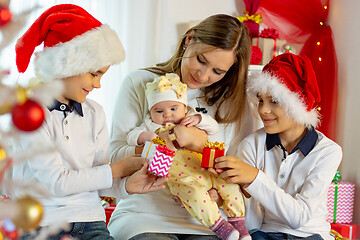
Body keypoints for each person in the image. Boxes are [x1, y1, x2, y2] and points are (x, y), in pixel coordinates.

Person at [12, 4, 167, 240]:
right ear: (66, 64)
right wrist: (116, 169)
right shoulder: (30, 113)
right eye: (94, 74)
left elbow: (98, 179)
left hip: (91, 222)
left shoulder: (95, 113)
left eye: (102, 75)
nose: (98, 84)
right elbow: (56, 182)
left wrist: (126, 185)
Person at [108, 14, 255, 240]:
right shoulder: (139, 82)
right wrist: (161, 144)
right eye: (201, 60)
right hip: (142, 216)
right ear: (189, 39)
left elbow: (239, 174)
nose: (203, 75)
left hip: (207, 222)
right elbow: (114, 158)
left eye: (218, 71)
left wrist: (198, 142)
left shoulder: (233, 104)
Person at [214, 53, 343, 240]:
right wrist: (233, 196)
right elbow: (251, 224)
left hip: (310, 235)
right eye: (260, 100)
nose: (263, 110)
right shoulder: (251, 145)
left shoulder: (328, 152)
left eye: (274, 101)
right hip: (263, 234)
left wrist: (254, 178)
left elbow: (299, 217)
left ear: (299, 103)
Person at [127, 73, 250, 240]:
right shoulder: (151, 125)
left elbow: (214, 128)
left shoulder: (191, 117)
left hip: (206, 169)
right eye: (159, 110)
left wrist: (199, 119)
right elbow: (131, 136)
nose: (167, 115)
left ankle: (239, 224)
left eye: (173, 108)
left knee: (229, 185)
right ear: (151, 112)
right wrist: (144, 137)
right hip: (181, 178)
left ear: (184, 108)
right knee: (194, 196)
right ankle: (221, 227)